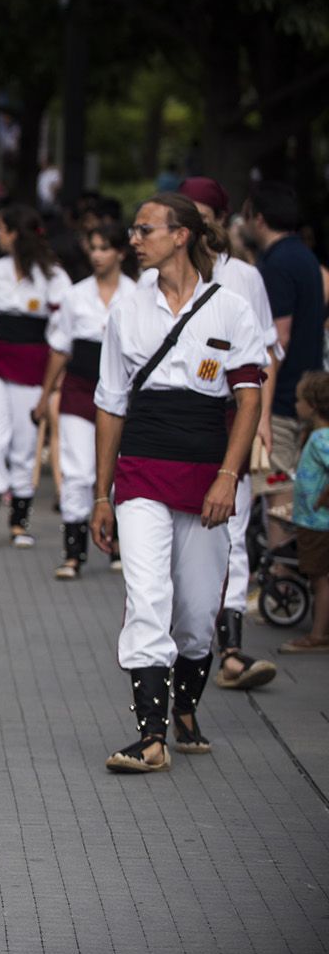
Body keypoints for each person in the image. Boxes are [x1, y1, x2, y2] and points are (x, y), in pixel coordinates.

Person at [91, 193, 265, 773]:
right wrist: (100, 494)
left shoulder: (230, 309)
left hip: (207, 473)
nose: (133, 239)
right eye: (133, 229)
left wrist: (228, 477)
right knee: (147, 596)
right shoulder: (127, 309)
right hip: (141, 469)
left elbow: (248, 398)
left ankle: (185, 709)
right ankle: (151, 736)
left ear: (182, 235)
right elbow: (111, 404)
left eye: (144, 229)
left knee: (195, 614)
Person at [175, 177, 280, 690]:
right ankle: (183, 641)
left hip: (229, 421)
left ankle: (231, 650)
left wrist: (259, 418)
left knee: (232, 535)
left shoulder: (245, 279)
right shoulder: (163, 276)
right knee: (181, 537)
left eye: (199, 213)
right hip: (175, 428)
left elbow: (265, 355)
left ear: (219, 218)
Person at [0, 204, 70, 547]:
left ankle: (20, 522)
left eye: (0, 228)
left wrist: (53, 382)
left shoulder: (54, 276)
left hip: (33, 363)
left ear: (14, 233)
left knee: (24, 442)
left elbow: (61, 331)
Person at [34, 222, 126, 579]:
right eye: (94, 248)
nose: (98, 255)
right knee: (77, 469)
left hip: (120, 392)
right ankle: (73, 551)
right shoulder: (75, 295)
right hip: (79, 387)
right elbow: (60, 348)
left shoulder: (137, 294)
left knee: (117, 469)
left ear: (120, 252)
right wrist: (45, 395)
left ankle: (116, 543)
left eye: (106, 247)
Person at [247, 181, 323, 474]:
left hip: (282, 400)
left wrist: (263, 409)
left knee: (276, 493)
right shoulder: (305, 256)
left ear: (260, 219)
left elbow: (279, 339)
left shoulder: (278, 264)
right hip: (305, 394)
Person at [279, 372, 329, 654]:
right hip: (315, 521)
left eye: (299, 400)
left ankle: (318, 634)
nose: (295, 404)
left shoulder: (322, 438)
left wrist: (324, 497)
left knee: (318, 578)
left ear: (311, 405)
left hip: (316, 522)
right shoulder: (317, 436)